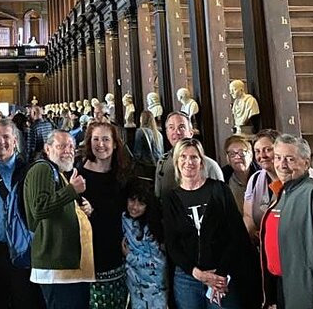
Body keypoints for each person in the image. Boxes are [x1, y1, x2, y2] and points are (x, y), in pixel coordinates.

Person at [163, 138, 261, 309]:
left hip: (222, 275)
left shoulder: (219, 190)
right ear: (176, 162)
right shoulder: (171, 198)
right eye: (183, 157)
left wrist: (220, 274)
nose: (188, 162)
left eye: (194, 157)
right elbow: (172, 244)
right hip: (188, 279)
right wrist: (197, 273)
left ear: (201, 161)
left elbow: (236, 235)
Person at [259, 134, 313, 308]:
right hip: (283, 289)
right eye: (278, 158)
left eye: (290, 159)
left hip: (309, 293)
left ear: (306, 163)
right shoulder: (282, 192)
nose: (282, 165)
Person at [24, 130, 94, 309]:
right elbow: (39, 208)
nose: (68, 150)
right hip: (56, 267)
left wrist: (82, 208)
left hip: (69, 266)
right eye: (61, 146)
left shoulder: (59, 173)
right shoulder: (42, 168)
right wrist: (71, 190)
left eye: (71, 146)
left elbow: (60, 208)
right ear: (48, 149)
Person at [0, 118, 43, 308]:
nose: (1, 141)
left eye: (6, 136)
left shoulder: (30, 170)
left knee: (24, 300)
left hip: (22, 250)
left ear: (15, 140)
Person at [78, 122, 129, 308]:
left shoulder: (123, 172)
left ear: (115, 143)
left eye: (106, 139)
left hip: (120, 248)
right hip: (92, 250)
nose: (100, 144)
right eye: (96, 139)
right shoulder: (80, 173)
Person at [154, 111, 223, 202]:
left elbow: (221, 200)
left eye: (181, 127)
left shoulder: (210, 166)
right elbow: (158, 197)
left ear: (191, 133)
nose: (177, 132)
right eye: (171, 127)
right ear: (167, 133)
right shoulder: (162, 163)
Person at [121, 178, 166, 309]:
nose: (135, 207)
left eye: (141, 203)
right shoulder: (124, 218)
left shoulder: (152, 228)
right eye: (132, 200)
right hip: (133, 288)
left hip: (155, 290)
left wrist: (130, 257)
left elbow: (159, 263)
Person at [220, 135, 258, 212]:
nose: (237, 157)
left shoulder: (262, 175)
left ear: (251, 155)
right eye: (232, 154)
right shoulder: (222, 178)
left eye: (242, 152)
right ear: (228, 159)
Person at [133, 110, 163, 179]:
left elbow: (137, 154)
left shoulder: (140, 132)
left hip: (145, 168)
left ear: (142, 119)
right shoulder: (159, 134)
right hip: (158, 167)